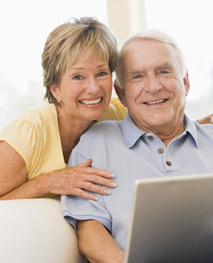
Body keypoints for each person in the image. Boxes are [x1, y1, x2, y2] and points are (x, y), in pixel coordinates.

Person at [61, 29, 213, 263]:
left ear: (185, 82)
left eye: (164, 71)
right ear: (121, 94)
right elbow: (90, 232)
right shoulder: (97, 142)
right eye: (137, 76)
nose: (153, 87)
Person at [0, 17, 127, 200]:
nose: (93, 88)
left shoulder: (119, 116)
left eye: (101, 73)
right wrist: (47, 182)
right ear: (55, 88)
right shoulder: (29, 133)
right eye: (78, 77)